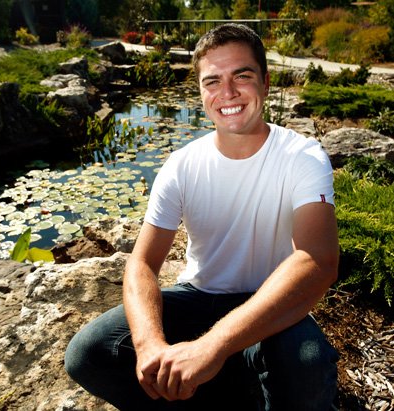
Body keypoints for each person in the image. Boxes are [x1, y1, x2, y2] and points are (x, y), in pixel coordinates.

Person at [65, 23, 339, 411]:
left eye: (241, 76)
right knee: (89, 353)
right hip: (199, 295)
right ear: (200, 91)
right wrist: (150, 347)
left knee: (306, 364)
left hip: (267, 300)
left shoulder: (302, 157)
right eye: (212, 81)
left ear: (265, 81)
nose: (226, 93)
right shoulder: (181, 165)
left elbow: (317, 261)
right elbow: (142, 263)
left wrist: (213, 346)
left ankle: (231, 377)